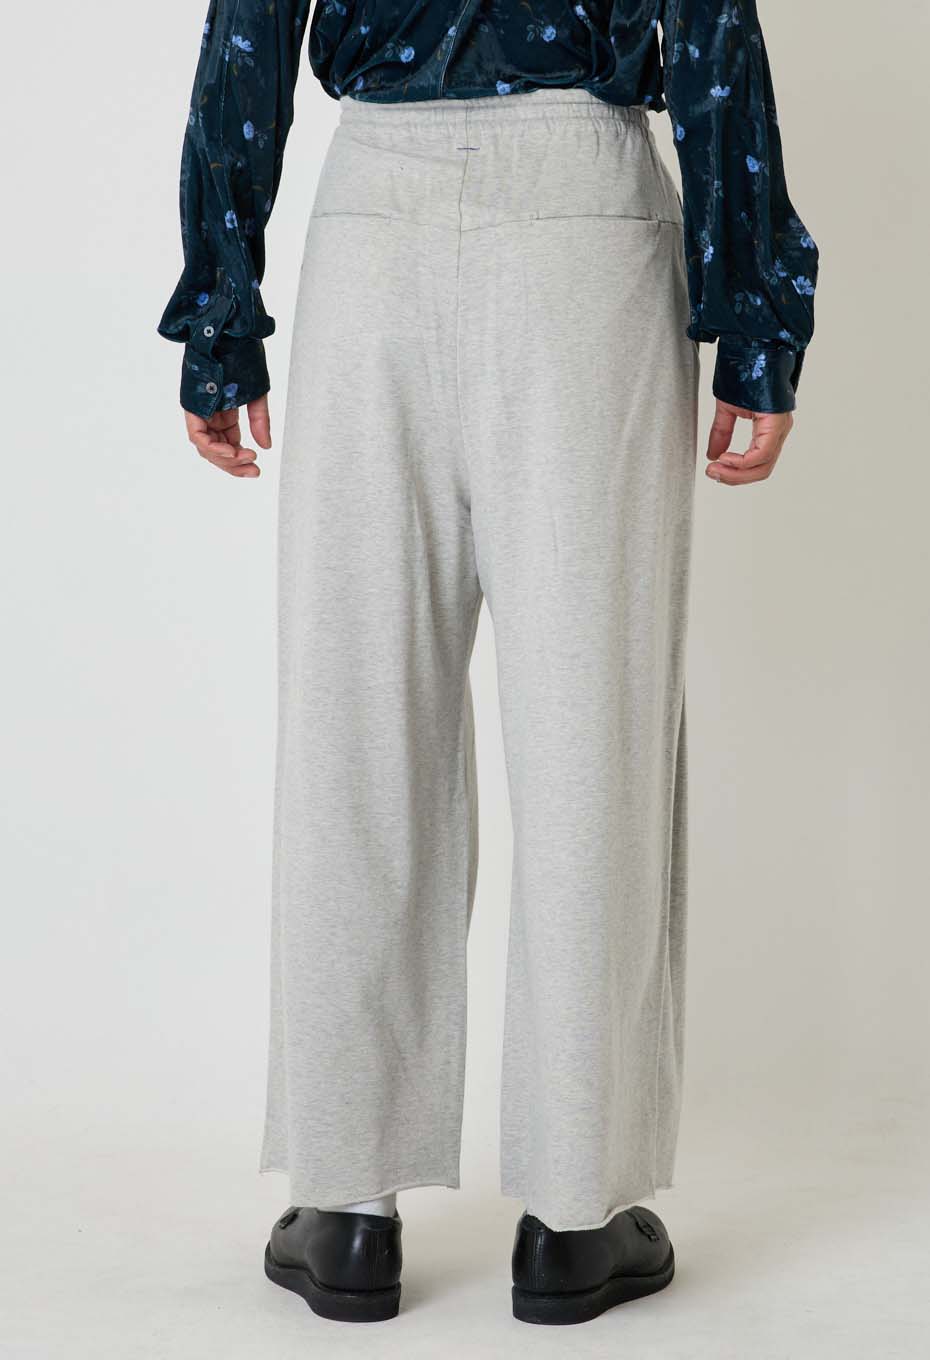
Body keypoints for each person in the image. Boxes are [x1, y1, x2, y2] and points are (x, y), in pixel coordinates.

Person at [159, 0, 817, 1327]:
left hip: (378, 211)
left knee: (357, 716)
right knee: (593, 723)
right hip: (586, 215)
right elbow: (707, 29)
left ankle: (348, 1206)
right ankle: (575, 1215)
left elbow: (248, 31)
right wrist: (755, 320)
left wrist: (222, 312)